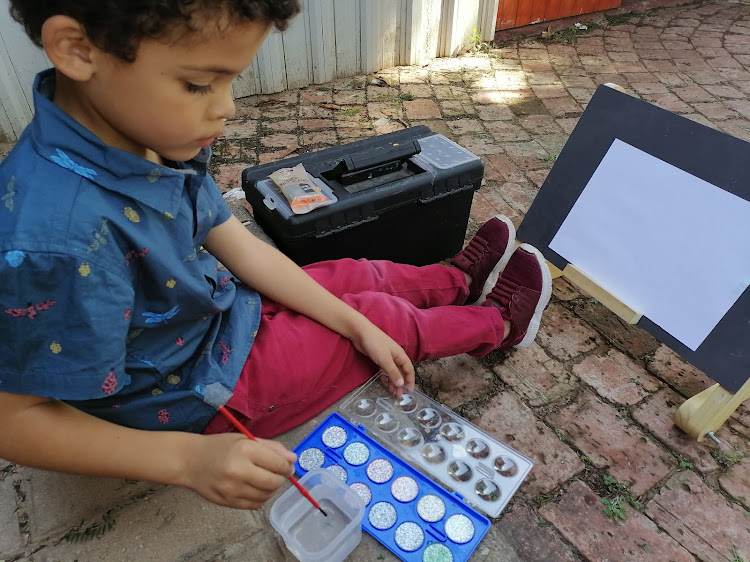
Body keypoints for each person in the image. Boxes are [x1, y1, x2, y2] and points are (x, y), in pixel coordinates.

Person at [0, 0, 552, 511]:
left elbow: (238, 247)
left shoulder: (146, 135)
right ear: (76, 49)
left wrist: (349, 320)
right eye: (199, 84)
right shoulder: (55, 240)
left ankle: (454, 282)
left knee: (354, 276)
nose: (227, 108)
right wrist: (187, 461)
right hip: (208, 392)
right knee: (383, 321)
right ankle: (499, 324)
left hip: (222, 314)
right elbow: (15, 421)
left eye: (229, 81)